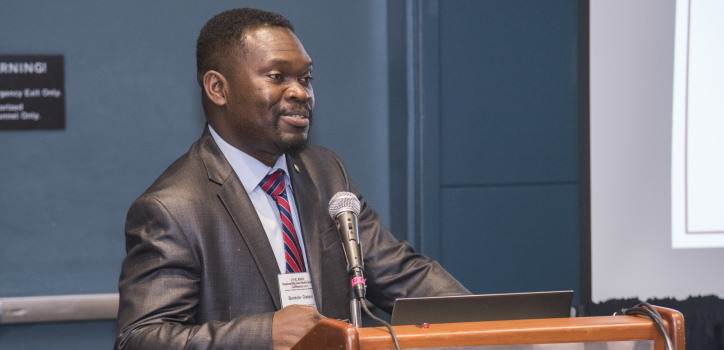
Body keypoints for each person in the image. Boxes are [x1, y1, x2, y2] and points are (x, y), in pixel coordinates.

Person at [115, 8, 469, 350]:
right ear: (217, 89)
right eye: (277, 77)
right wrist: (265, 334)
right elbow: (141, 338)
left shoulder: (326, 172)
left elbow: (401, 275)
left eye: (305, 78)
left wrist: (499, 324)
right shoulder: (172, 208)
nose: (301, 92)